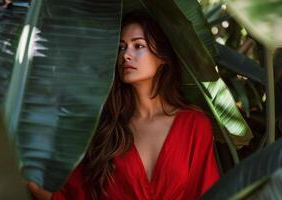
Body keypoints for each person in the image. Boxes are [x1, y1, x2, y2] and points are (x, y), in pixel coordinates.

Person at [27, 11, 220, 200]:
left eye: (138, 45)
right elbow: (78, 192)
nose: (126, 55)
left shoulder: (194, 125)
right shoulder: (106, 128)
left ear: (162, 56)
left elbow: (207, 190)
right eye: (121, 48)